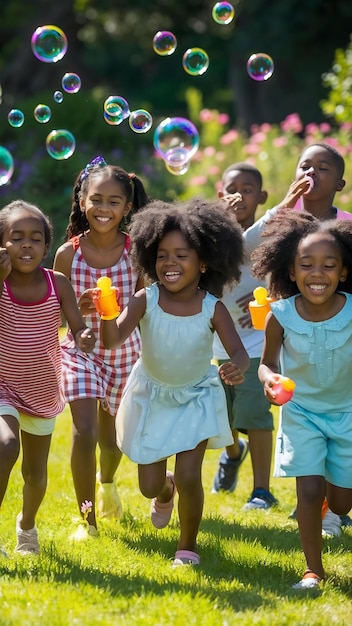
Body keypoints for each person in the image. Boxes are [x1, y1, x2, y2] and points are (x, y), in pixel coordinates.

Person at [82, 197, 250, 567]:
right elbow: (112, 340)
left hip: (196, 395)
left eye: (181, 255)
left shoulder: (212, 307)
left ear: (203, 262)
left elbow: (239, 352)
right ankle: (165, 489)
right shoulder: (146, 299)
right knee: (148, 485)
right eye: (161, 255)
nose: (170, 263)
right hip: (152, 395)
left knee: (191, 475)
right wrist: (107, 312)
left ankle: (187, 546)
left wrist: (237, 367)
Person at [244, 142, 352, 529]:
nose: (311, 173)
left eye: (323, 167)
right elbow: (249, 252)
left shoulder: (347, 225)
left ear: (339, 182)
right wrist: (280, 209)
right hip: (293, 326)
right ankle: (311, 500)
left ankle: (331, 503)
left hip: (337, 328)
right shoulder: (284, 221)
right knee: (304, 409)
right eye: (305, 165)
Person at [252, 210, 352, 589]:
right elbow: (266, 363)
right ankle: (314, 570)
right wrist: (270, 379)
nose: (317, 273)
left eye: (329, 265)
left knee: (342, 503)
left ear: (343, 272)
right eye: (306, 265)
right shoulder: (280, 315)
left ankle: (333, 501)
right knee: (308, 490)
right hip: (302, 413)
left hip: (347, 413)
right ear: (291, 272)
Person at [53, 156, 148, 539]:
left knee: (111, 444)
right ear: (81, 201)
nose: (103, 208)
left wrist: (117, 311)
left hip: (124, 351)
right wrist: (80, 308)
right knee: (85, 431)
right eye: (96, 199)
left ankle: (107, 482)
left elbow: (144, 304)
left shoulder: (136, 251)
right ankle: (85, 520)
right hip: (81, 351)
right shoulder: (67, 253)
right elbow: (58, 310)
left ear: (127, 207)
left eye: (113, 201)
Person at [0, 200, 96, 556]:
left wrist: (84, 337)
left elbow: (78, 329)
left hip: (42, 389)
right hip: (3, 384)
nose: (27, 245)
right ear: (2, 244)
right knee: (5, 445)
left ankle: (26, 527)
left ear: (45, 245)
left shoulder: (58, 283)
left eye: (36, 238)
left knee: (35, 474)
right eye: (16, 237)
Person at [212, 163, 278, 510]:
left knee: (254, 415)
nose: (239, 195)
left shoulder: (266, 233)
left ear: (262, 197)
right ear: (220, 195)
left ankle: (262, 491)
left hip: (254, 344)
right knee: (221, 418)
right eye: (231, 189)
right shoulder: (209, 235)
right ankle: (233, 453)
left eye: (248, 189)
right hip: (215, 346)